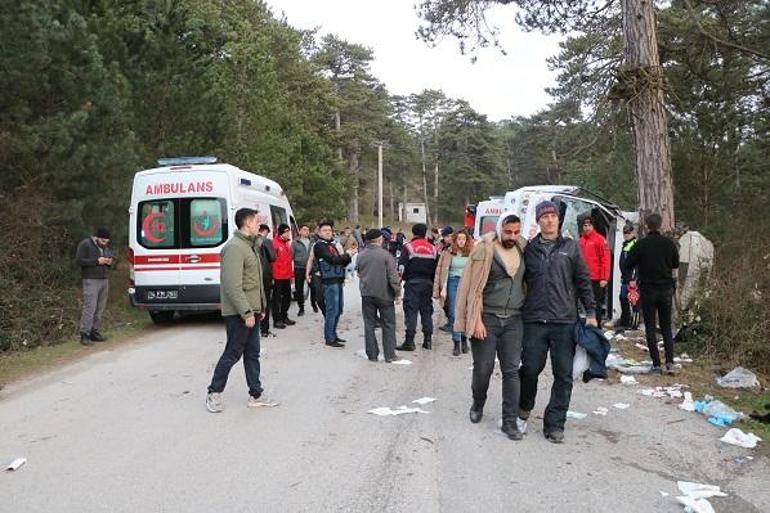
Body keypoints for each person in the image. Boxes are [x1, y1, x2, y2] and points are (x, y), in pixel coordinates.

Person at [518, 201, 597, 444]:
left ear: (558, 220)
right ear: (538, 221)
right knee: (530, 369)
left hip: (564, 321)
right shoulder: (529, 250)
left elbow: (583, 280)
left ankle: (554, 424)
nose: (549, 220)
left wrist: (591, 313)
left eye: (553, 216)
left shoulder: (571, 248)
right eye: (544, 217)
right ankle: (523, 408)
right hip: (534, 320)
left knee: (563, 375)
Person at [454, 215, 527, 440]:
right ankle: (478, 403)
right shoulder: (483, 251)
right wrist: (474, 320)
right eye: (508, 232)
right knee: (483, 368)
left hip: (514, 320)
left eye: (516, 232)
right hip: (487, 319)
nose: (512, 236)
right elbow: (469, 288)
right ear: (500, 229)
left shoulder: (524, 249)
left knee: (512, 371)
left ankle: (509, 421)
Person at [206, 208, 277, 413]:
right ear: (247, 223)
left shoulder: (251, 246)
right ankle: (214, 392)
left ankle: (256, 393)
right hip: (239, 312)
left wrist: (260, 307)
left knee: (252, 353)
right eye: (256, 221)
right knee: (233, 353)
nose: (259, 225)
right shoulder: (235, 248)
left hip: (251, 310)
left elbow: (256, 282)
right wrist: (246, 312)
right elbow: (232, 285)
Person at [623, 213, 680, 375]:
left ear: (647, 226)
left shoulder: (641, 244)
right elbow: (675, 263)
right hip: (666, 290)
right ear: (661, 225)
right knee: (666, 326)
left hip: (648, 290)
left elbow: (628, 264)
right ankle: (669, 362)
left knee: (650, 327)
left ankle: (656, 364)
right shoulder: (669, 244)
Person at [356, 229, 401, 362]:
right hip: (384, 293)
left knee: (369, 324)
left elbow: (359, 272)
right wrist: (397, 293)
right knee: (388, 324)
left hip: (367, 294)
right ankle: (390, 354)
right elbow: (393, 276)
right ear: (379, 239)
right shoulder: (386, 256)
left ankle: (372, 354)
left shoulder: (361, 255)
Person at [396, 223, 438, 351]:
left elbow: (401, 268)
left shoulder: (408, 247)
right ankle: (428, 340)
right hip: (428, 284)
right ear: (425, 233)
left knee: (411, 312)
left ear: (413, 233)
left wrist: (398, 283)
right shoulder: (433, 248)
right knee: (426, 312)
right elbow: (437, 269)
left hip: (412, 284)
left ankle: (410, 341)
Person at [314, 220, 355, 348]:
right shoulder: (319, 246)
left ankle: (333, 334)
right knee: (332, 310)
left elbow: (341, 262)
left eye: (329, 230)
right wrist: (347, 255)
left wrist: (347, 257)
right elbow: (333, 260)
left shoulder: (333, 244)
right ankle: (329, 338)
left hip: (337, 280)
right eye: (324, 230)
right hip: (329, 281)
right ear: (319, 232)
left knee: (339, 309)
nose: (327, 232)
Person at [434, 229, 473, 355]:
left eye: (463, 239)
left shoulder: (472, 253)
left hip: (466, 283)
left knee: (465, 313)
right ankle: (456, 342)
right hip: (452, 282)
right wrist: (442, 289)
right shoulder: (448, 253)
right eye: (459, 239)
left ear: (467, 240)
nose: (461, 241)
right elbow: (441, 272)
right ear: (455, 240)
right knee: (453, 312)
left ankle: (464, 338)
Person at [76, 227, 113, 345]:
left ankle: (94, 331)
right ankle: (84, 334)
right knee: (89, 307)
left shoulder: (105, 247)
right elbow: (79, 261)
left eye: (107, 242)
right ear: (97, 237)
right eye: (103, 241)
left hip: (104, 279)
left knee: (100, 308)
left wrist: (108, 262)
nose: (104, 244)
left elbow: (108, 257)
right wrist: (97, 261)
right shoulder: (85, 244)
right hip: (90, 280)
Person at [578, 214, 610, 325]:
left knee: (596, 304)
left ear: (593, 226)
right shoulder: (581, 241)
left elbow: (605, 259)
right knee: (584, 302)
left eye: (589, 225)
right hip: (583, 278)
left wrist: (604, 278)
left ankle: (596, 327)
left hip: (596, 279)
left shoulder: (600, 240)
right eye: (585, 225)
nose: (587, 227)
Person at [271, 223, 295, 329]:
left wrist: (291, 274)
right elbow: (272, 261)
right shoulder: (274, 243)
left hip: (286, 275)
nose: (289, 233)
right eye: (286, 231)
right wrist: (273, 276)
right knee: (276, 299)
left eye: (289, 231)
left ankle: (284, 316)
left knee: (287, 297)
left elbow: (289, 260)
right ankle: (277, 319)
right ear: (281, 232)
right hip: (277, 276)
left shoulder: (286, 244)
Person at [617, 223, 639, 329]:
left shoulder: (635, 244)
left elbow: (637, 264)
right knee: (622, 298)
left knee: (634, 302)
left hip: (632, 279)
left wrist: (634, 278)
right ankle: (625, 322)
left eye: (628, 232)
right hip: (625, 278)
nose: (626, 235)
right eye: (624, 232)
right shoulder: (626, 244)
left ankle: (635, 324)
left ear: (633, 233)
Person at [256, 224, 276, 337]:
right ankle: (264, 329)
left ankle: (255, 328)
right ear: (265, 231)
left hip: (254, 274)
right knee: (266, 301)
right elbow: (273, 257)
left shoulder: (250, 240)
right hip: (265, 274)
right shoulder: (266, 241)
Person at [291, 225, 312, 316]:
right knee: (299, 289)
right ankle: (301, 308)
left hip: (310, 268)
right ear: (300, 231)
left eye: (308, 230)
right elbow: (291, 255)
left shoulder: (312, 242)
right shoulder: (295, 242)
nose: (306, 231)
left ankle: (314, 302)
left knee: (314, 287)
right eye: (304, 230)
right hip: (299, 268)